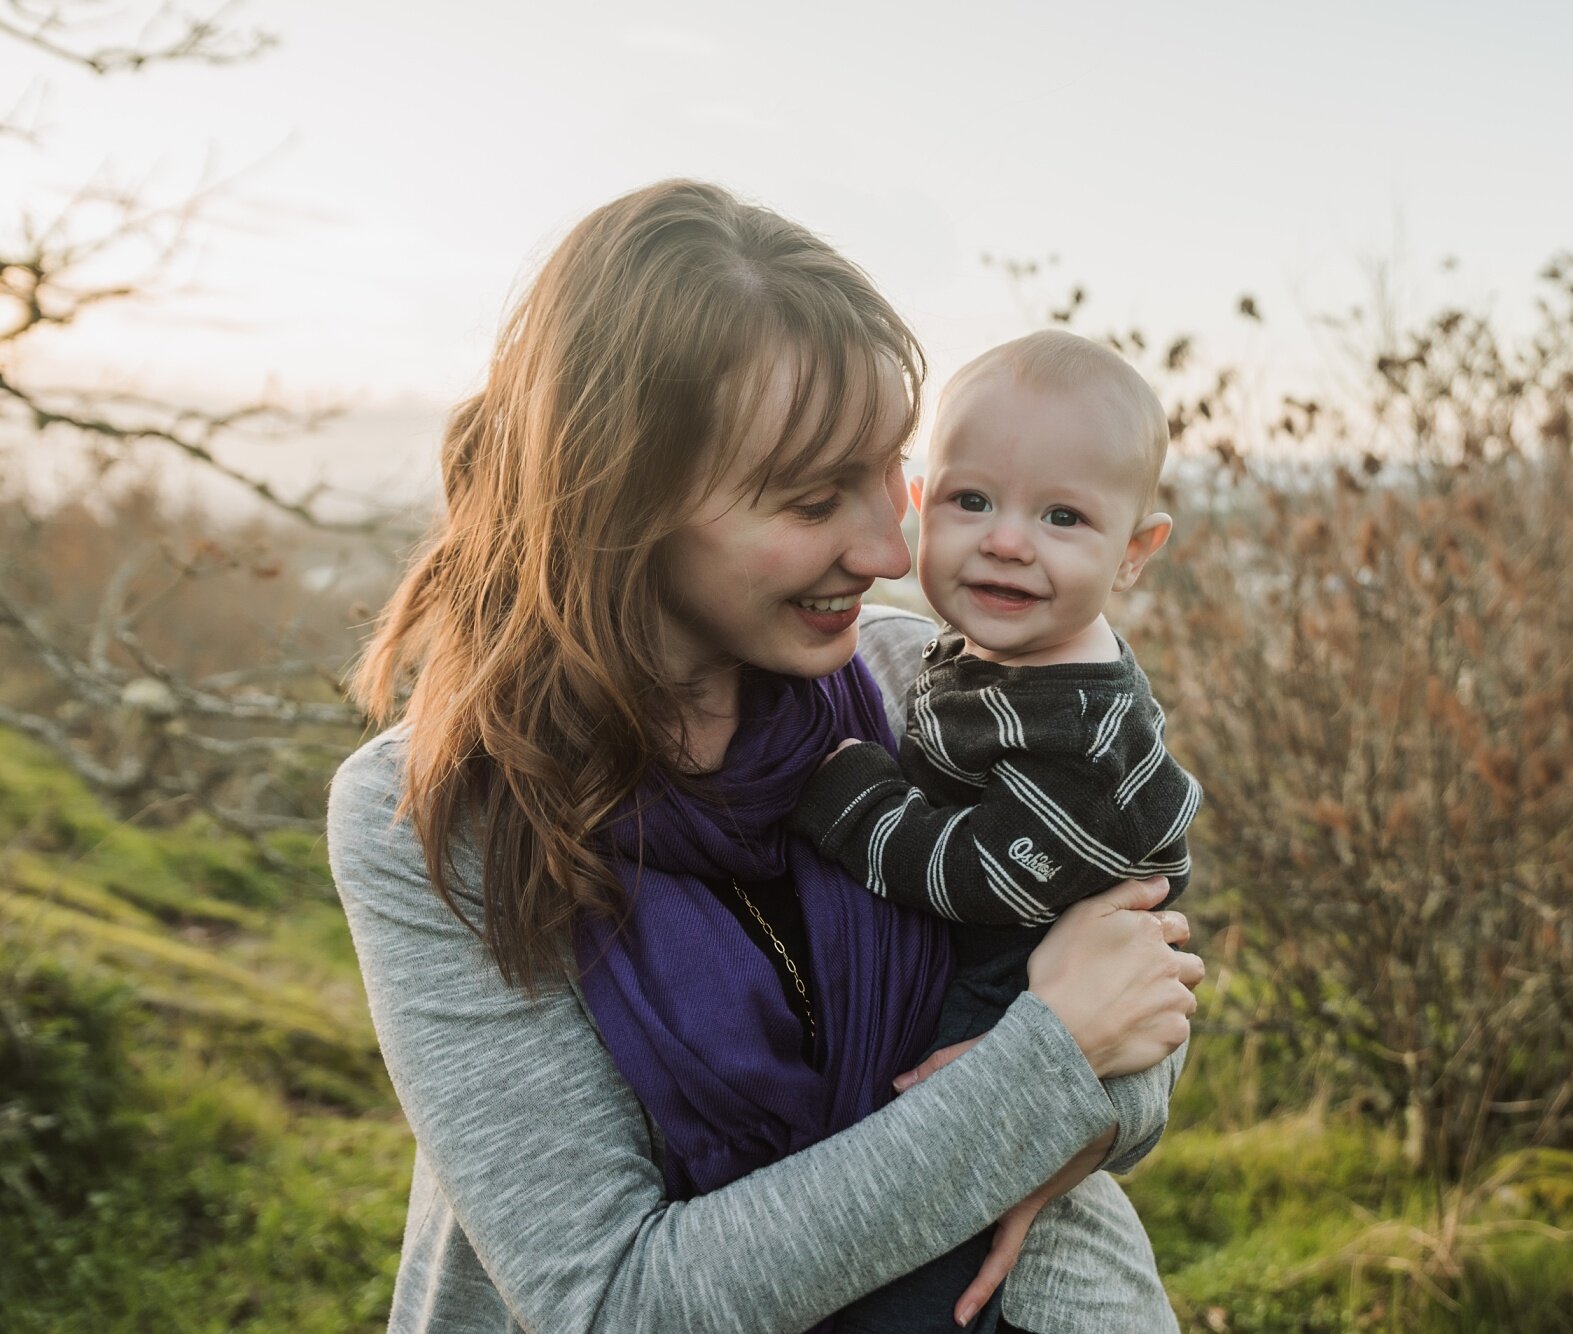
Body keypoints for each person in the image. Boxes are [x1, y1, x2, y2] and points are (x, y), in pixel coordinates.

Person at [325, 178, 1203, 1334]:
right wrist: (1032, 1083)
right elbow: (612, 1299)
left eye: (889, 474)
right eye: (809, 498)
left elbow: (1133, 999)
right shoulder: (434, 813)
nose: (888, 546)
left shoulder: (917, 681)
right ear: (621, 498)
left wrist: (1098, 1089)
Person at [789, 331, 1200, 1330]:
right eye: (973, 501)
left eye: (1062, 516)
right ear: (922, 506)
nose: (1008, 539)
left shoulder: (1081, 727)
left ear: (1133, 552)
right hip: (1007, 1004)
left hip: (1001, 1002)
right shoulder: (978, 655)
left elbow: (976, 871)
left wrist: (858, 804)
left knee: (929, 1278)